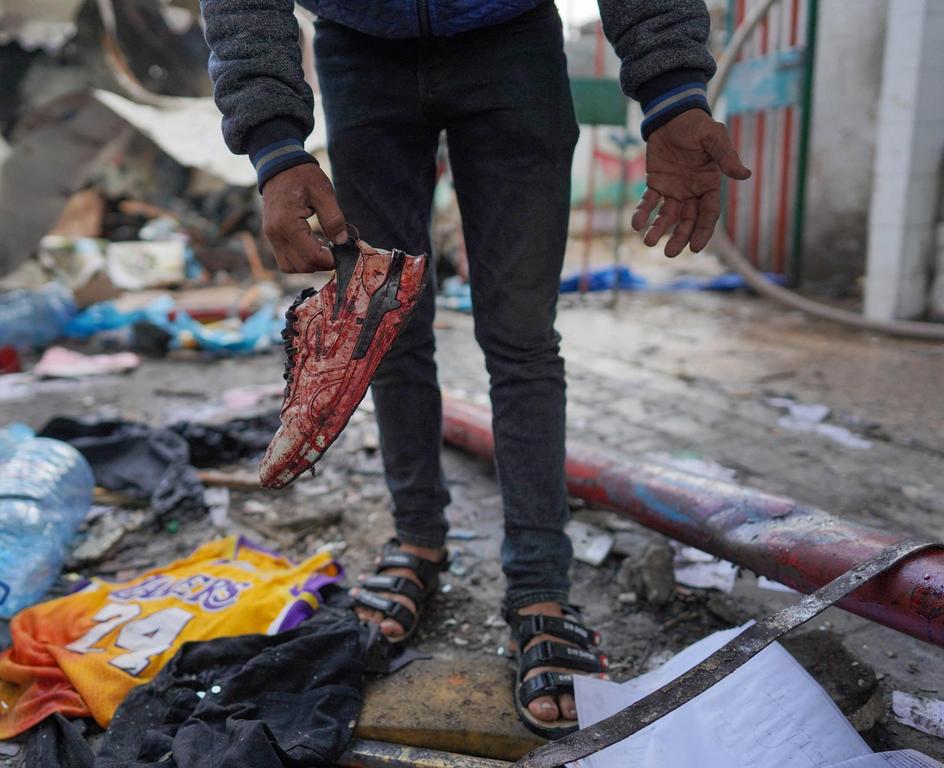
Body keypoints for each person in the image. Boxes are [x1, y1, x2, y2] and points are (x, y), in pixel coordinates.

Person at [201, 0, 750, 738]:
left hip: (510, 40)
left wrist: (672, 90)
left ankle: (539, 589)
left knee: (522, 337)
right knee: (387, 326)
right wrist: (272, 143)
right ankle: (418, 539)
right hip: (360, 49)